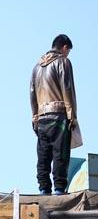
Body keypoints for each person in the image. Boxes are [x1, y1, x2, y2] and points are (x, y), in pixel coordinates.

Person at [30, 34, 78, 195]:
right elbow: (68, 89)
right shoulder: (63, 62)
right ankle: (59, 188)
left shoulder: (37, 66)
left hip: (42, 117)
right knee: (61, 152)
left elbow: (32, 92)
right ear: (64, 47)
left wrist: (35, 116)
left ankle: (43, 188)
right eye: (68, 51)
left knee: (43, 154)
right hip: (59, 115)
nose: (68, 54)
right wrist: (72, 115)